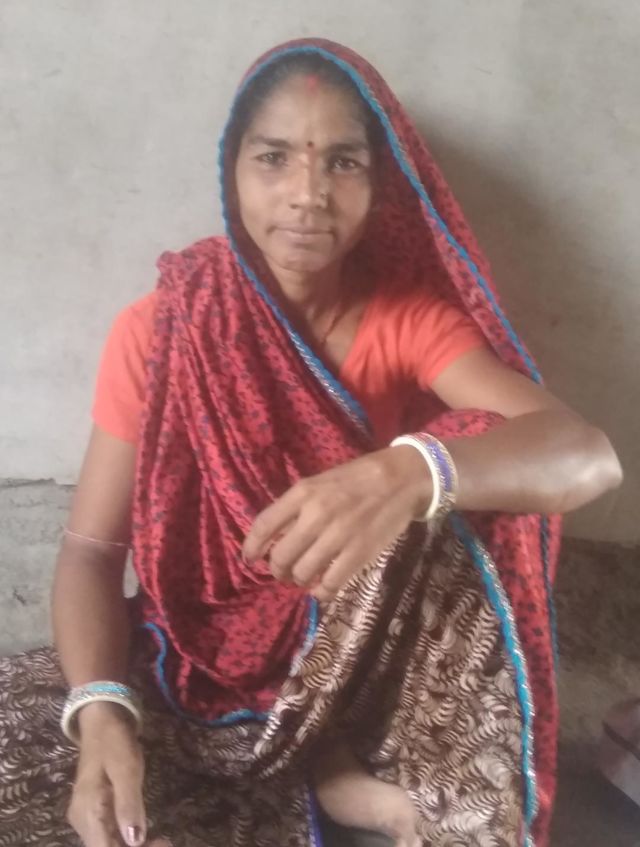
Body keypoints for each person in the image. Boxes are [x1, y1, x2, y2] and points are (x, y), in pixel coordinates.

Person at [0, 37, 622, 847]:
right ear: (231, 171)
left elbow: (585, 454)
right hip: (200, 653)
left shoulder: (405, 318)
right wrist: (99, 712)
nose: (307, 195)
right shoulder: (166, 327)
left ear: (380, 183)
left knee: (482, 460)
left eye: (342, 163)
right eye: (274, 158)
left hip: (358, 661)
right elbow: (89, 549)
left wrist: (406, 471)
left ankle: (338, 756)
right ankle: (324, 769)